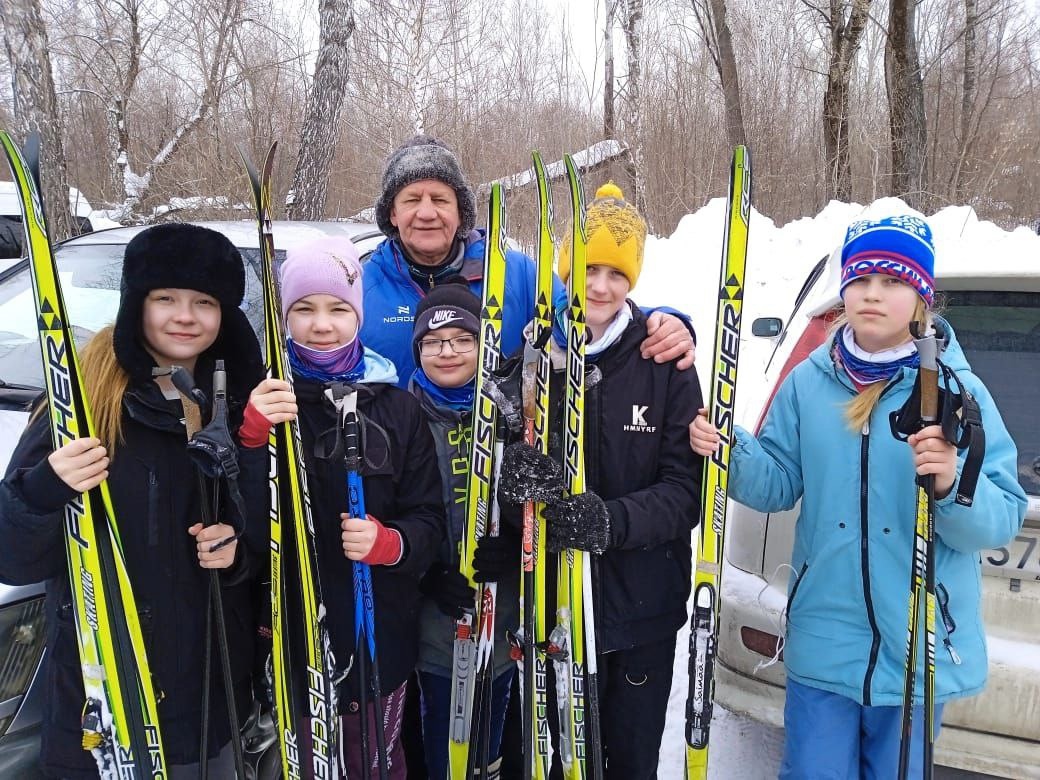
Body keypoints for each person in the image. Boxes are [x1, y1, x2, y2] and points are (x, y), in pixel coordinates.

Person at [689, 216, 1027, 778]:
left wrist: (948, 483)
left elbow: (999, 518)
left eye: (893, 281)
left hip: (915, 650)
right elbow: (776, 483)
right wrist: (730, 450)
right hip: (826, 640)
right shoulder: (807, 383)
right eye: (861, 279)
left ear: (921, 295)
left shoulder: (955, 390)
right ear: (844, 290)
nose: (873, 293)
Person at [0, 224, 269, 778]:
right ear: (135, 303)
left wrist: (236, 553)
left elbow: (273, 546)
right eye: (165, 298)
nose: (185, 316)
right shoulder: (82, 405)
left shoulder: (242, 408)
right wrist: (43, 489)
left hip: (209, 698)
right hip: (104, 700)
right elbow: (14, 557)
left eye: (204, 302)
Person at [498, 183, 703, 779]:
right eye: (588, 269)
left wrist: (610, 522)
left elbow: (684, 492)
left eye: (617, 272)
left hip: (641, 607)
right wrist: (520, 491)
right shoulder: (536, 363)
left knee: (630, 762)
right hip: (553, 606)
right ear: (565, 268)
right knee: (554, 760)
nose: (599, 286)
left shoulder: (665, 363)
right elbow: (511, 494)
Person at [243, 236, 444, 779]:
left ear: (358, 313)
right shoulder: (267, 400)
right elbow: (240, 517)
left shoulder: (397, 407)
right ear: (284, 317)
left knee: (377, 759)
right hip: (294, 639)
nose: (322, 324)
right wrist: (252, 437)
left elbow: (430, 521)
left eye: (337, 308)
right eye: (303, 309)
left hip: (382, 637)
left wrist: (390, 543)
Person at [359, 134, 697, 387]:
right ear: (392, 211)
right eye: (412, 199)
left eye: (440, 199)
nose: (427, 213)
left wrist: (660, 320)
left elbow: (582, 316)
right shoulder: (361, 287)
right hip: (398, 474)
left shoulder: (514, 273)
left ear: (460, 210)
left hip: (497, 468)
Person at [405, 279, 519, 778]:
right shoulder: (398, 414)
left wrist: (515, 543)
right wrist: (424, 572)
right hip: (432, 629)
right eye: (433, 342)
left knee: (489, 745)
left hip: (499, 622)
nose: (448, 352)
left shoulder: (510, 415)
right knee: (440, 747)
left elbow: (535, 500)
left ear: (483, 345)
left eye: (463, 339)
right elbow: (386, 513)